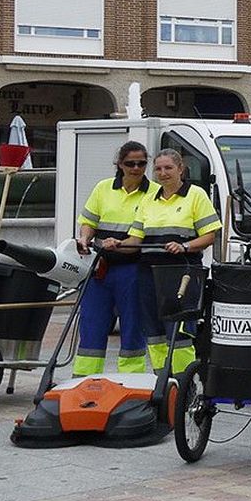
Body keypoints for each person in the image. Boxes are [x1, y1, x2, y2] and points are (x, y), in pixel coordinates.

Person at [124, 148, 221, 375]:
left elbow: (210, 235)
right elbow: (135, 239)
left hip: (181, 272)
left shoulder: (196, 195)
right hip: (149, 272)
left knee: (179, 332)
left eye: (168, 168)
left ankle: (183, 383)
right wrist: (115, 243)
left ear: (181, 169)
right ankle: (162, 381)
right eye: (158, 168)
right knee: (154, 331)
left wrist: (184, 246)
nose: (163, 173)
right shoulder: (149, 198)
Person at [72, 140, 155, 376]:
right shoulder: (103, 188)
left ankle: (130, 381)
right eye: (131, 163)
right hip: (100, 267)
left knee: (132, 327)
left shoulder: (154, 193)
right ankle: (84, 380)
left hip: (134, 268)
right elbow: (89, 221)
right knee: (91, 324)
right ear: (120, 164)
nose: (136, 168)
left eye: (142, 163)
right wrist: (84, 239)